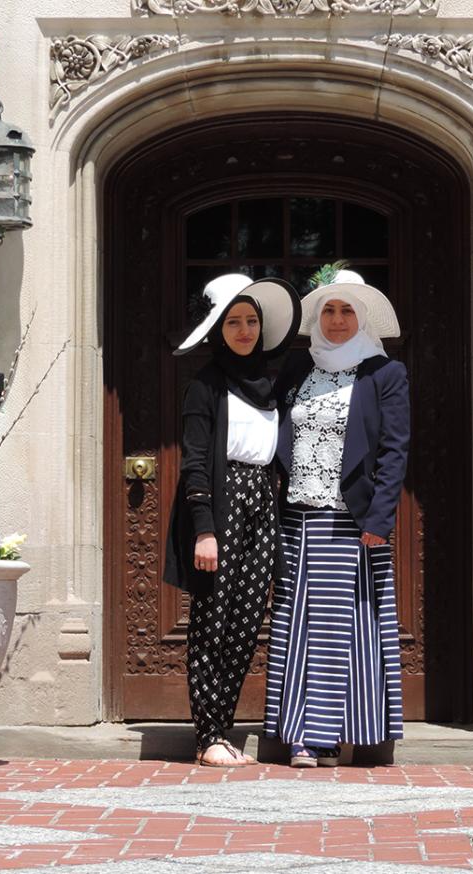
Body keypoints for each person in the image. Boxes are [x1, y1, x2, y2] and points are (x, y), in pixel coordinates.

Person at [264, 268, 410, 768]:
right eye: (329, 310)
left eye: (348, 310)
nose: (338, 319)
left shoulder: (384, 373)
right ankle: (298, 733)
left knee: (340, 627)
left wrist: (379, 520)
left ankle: (327, 736)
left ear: (363, 317)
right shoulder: (296, 370)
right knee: (296, 624)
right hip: (294, 516)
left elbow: (394, 451)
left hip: (351, 521)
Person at [164, 272, 300, 768]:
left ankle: (223, 730)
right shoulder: (205, 386)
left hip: (262, 505)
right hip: (219, 508)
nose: (243, 330)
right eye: (233, 321)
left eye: (251, 321)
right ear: (218, 329)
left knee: (244, 625)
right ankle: (207, 736)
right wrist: (204, 528)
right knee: (211, 625)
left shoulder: (272, 384)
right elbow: (195, 460)